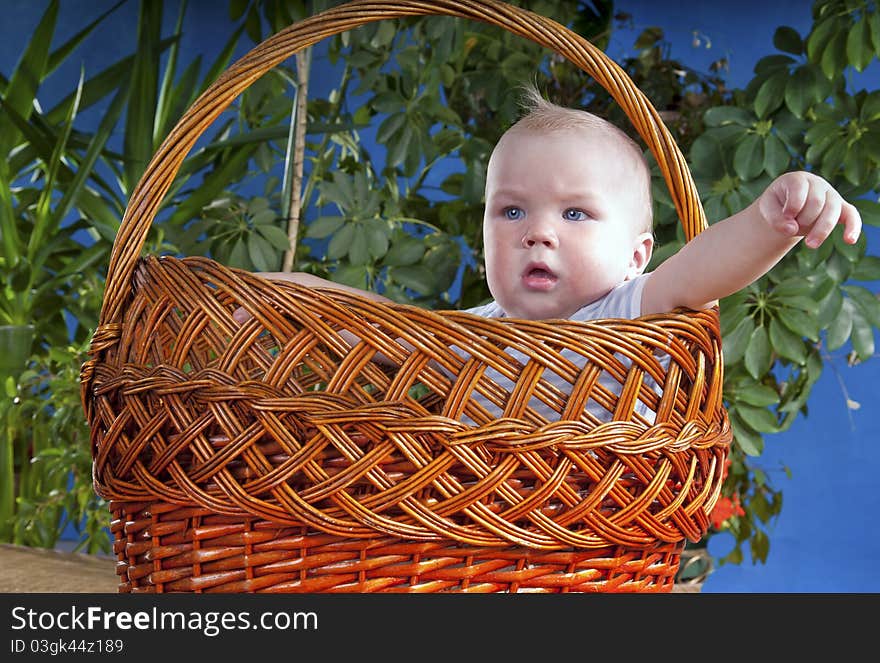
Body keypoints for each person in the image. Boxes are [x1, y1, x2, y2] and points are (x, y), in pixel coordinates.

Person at [245, 85, 862, 422]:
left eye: (574, 214)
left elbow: (706, 267)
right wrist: (304, 293)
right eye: (512, 211)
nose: (537, 233)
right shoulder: (479, 333)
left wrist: (768, 221)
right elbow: (387, 330)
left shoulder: (626, 312)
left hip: (590, 526)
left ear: (634, 254)